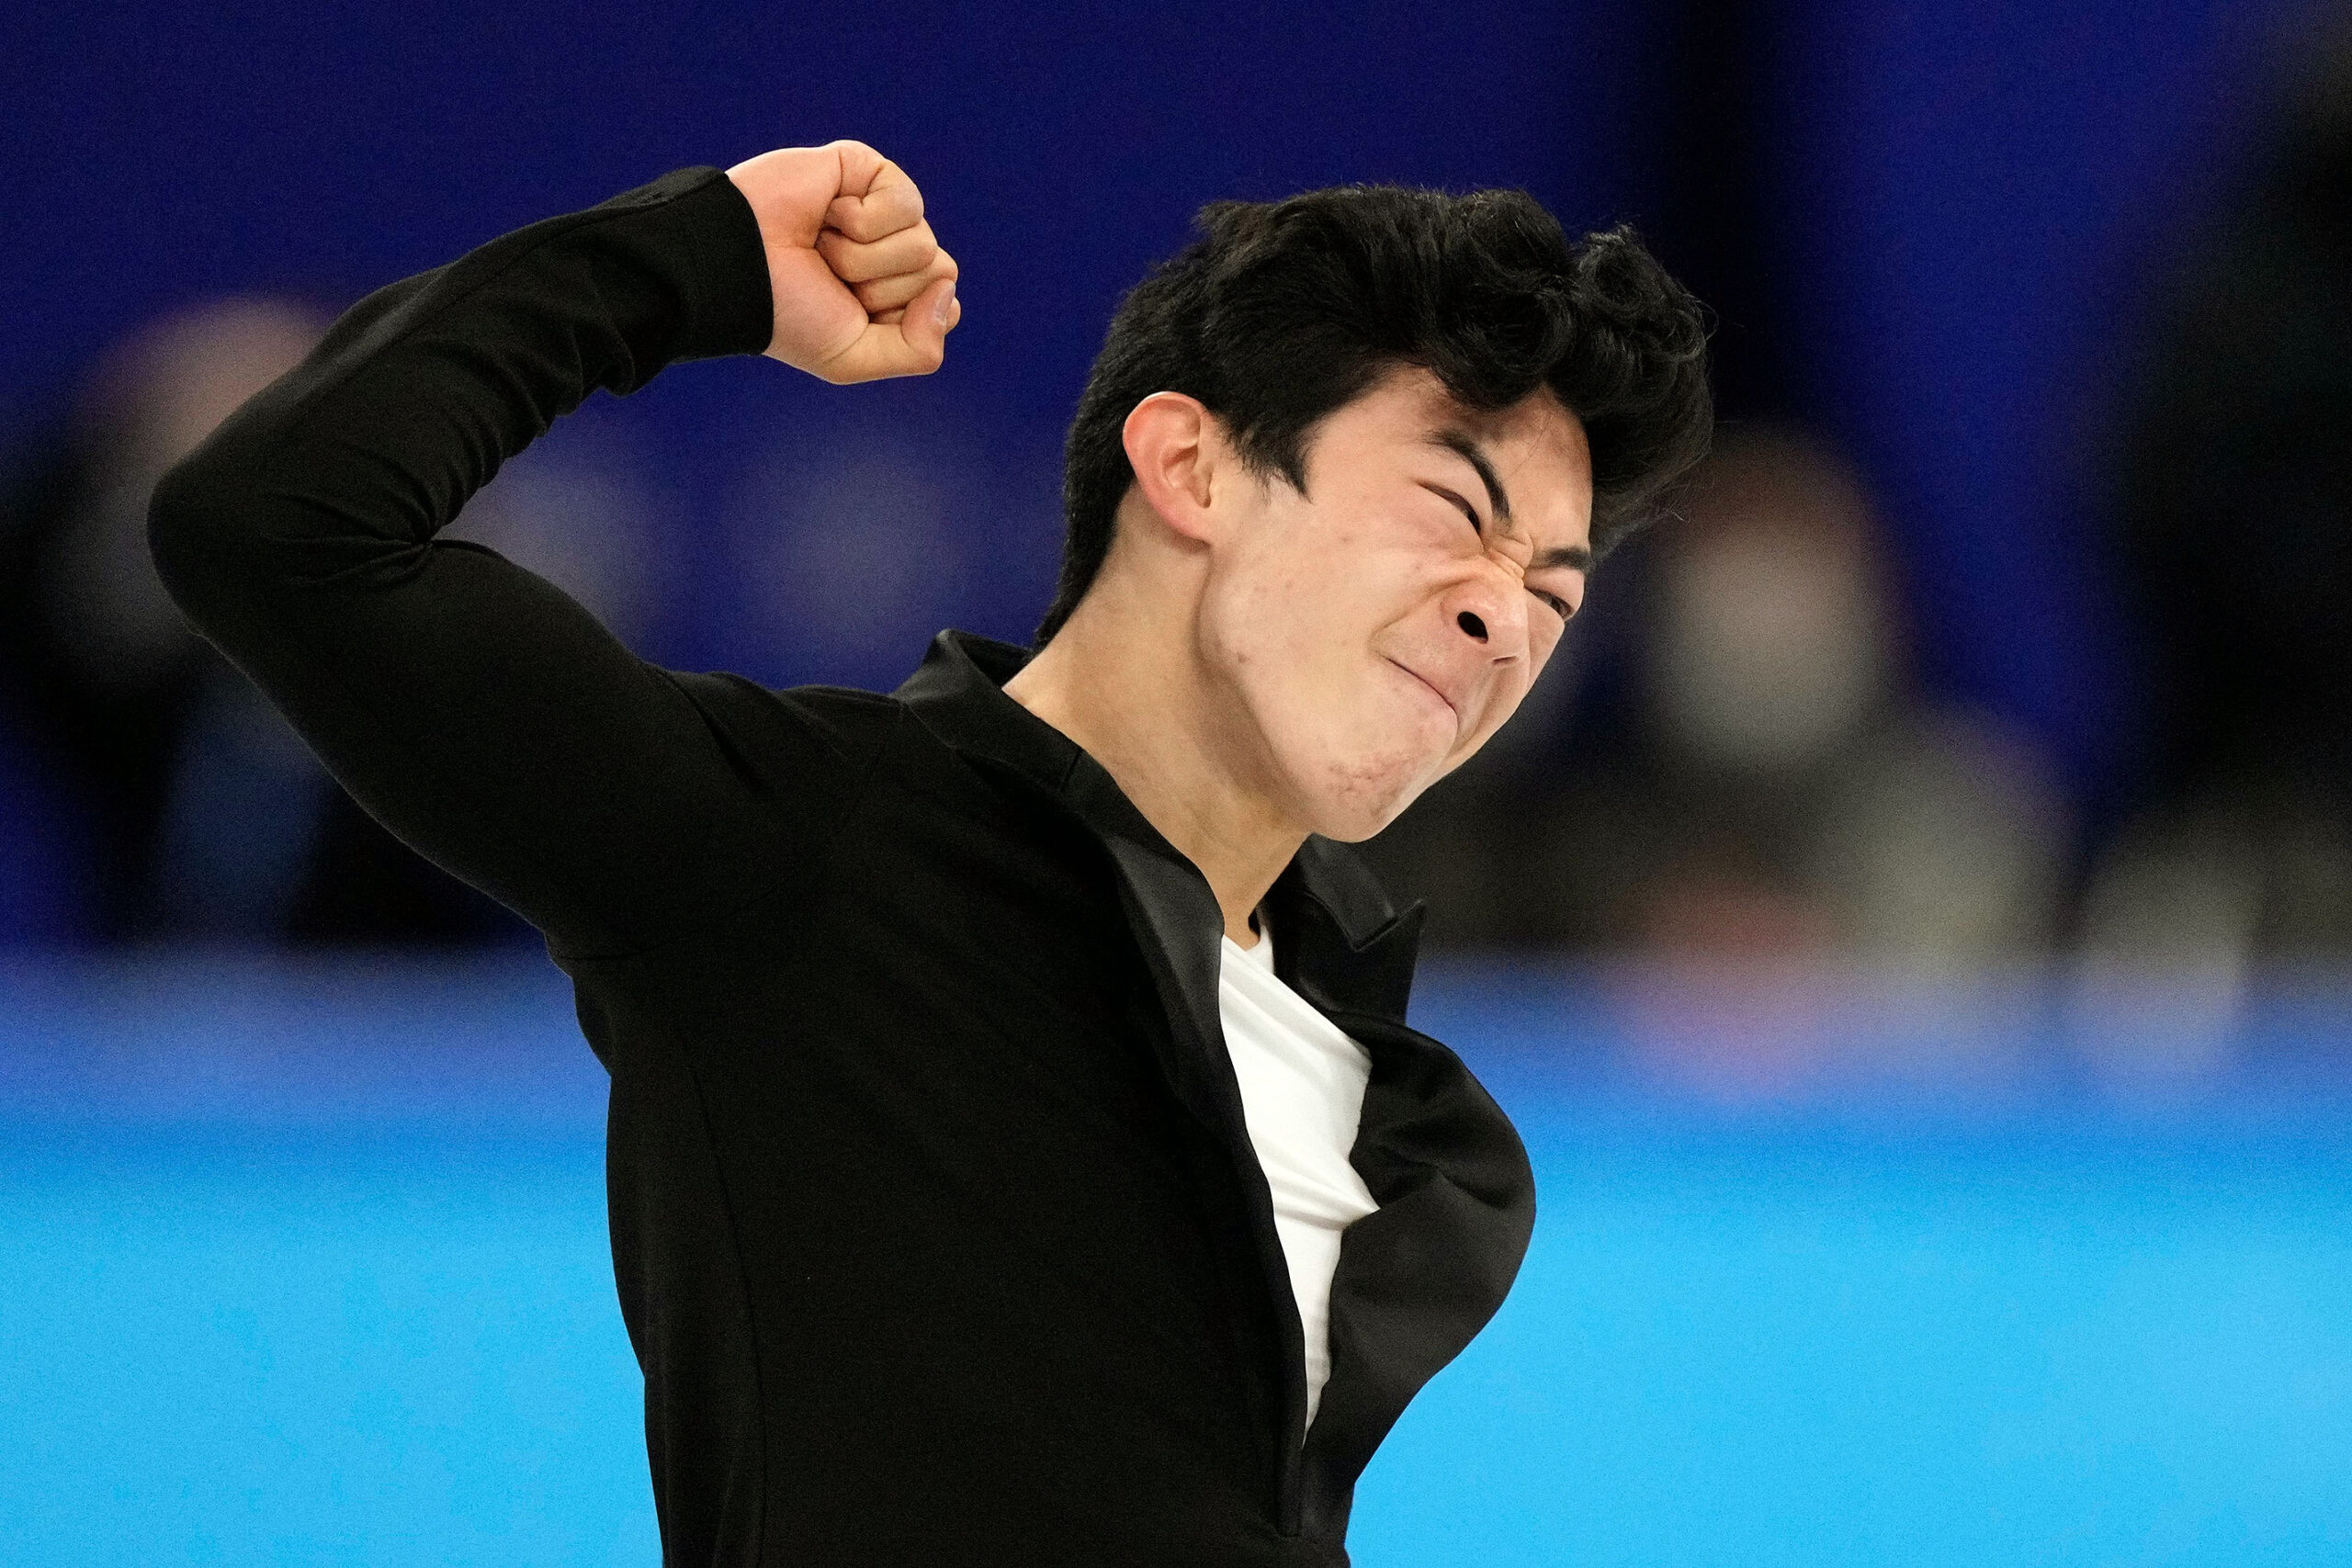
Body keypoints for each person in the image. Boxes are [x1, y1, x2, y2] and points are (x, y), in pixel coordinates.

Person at [148, 141, 1709, 1565]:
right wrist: (690, 261)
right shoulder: (802, 848)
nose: (1505, 620)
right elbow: (279, 525)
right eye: (1452, 510)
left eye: (1555, 594)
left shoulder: (1406, 1115)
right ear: (1193, 467)